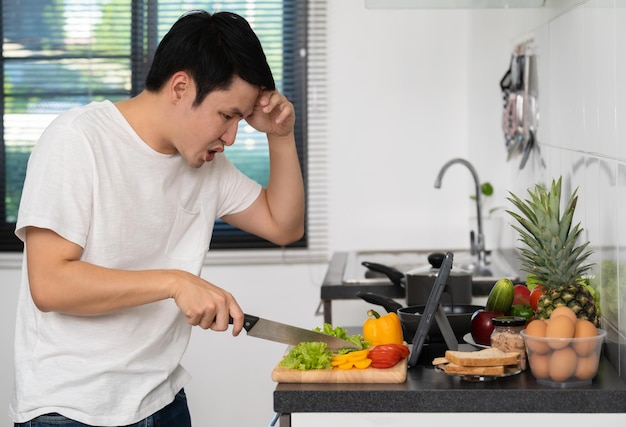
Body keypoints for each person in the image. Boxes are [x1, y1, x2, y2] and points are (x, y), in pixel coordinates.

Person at [9, 10, 304, 426]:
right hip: (70, 410)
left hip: (162, 402)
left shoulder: (206, 165)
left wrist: (280, 135)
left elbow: (284, 225)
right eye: (226, 115)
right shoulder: (78, 141)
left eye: (240, 119)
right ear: (181, 87)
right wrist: (175, 281)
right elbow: (50, 283)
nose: (232, 137)